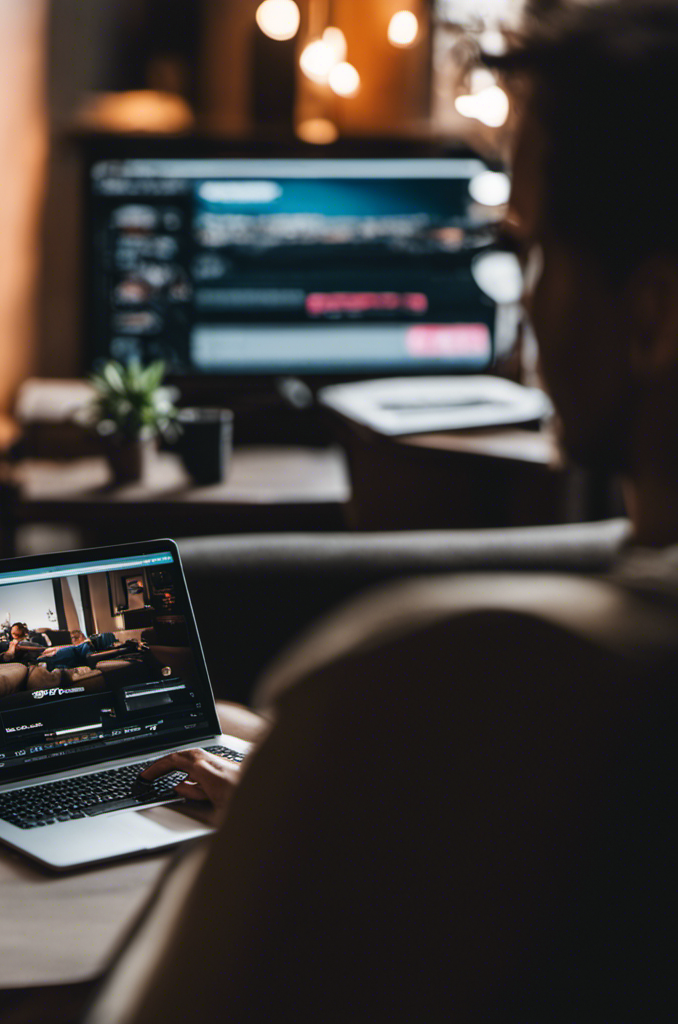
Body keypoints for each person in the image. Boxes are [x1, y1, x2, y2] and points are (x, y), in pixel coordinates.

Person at [139, 0, 678, 826]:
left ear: (655, 315)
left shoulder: (397, 686)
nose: (523, 305)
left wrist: (306, 807)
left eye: (526, 249)